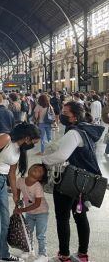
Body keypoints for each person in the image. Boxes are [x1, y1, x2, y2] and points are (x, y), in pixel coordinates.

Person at [42, 101, 104, 262]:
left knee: (63, 218)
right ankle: (83, 254)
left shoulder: (74, 133)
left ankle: (64, 256)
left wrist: (45, 160)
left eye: (65, 112)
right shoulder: (85, 129)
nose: (62, 114)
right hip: (81, 182)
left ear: (74, 117)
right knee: (80, 216)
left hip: (68, 181)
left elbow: (62, 155)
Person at [0, 122, 40, 262]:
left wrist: (15, 195)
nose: (32, 146)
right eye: (32, 142)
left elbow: (12, 174)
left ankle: (3, 254)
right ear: (26, 137)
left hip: (1, 185)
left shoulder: (18, 149)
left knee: (5, 223)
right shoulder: (5, 138)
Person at [14, 164, 49, 262]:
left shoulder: (37, 186)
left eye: (40, 171)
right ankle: (29, 250)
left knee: (40, 235)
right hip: (29, 212)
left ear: (40, 178)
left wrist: (22, 210)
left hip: (41, 213)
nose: (37, 169)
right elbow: (17, 192)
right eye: (36, 167)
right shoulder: (20, 180)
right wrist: (17, 205)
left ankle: (43, 254)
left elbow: (37, 204)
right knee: (27, 232)